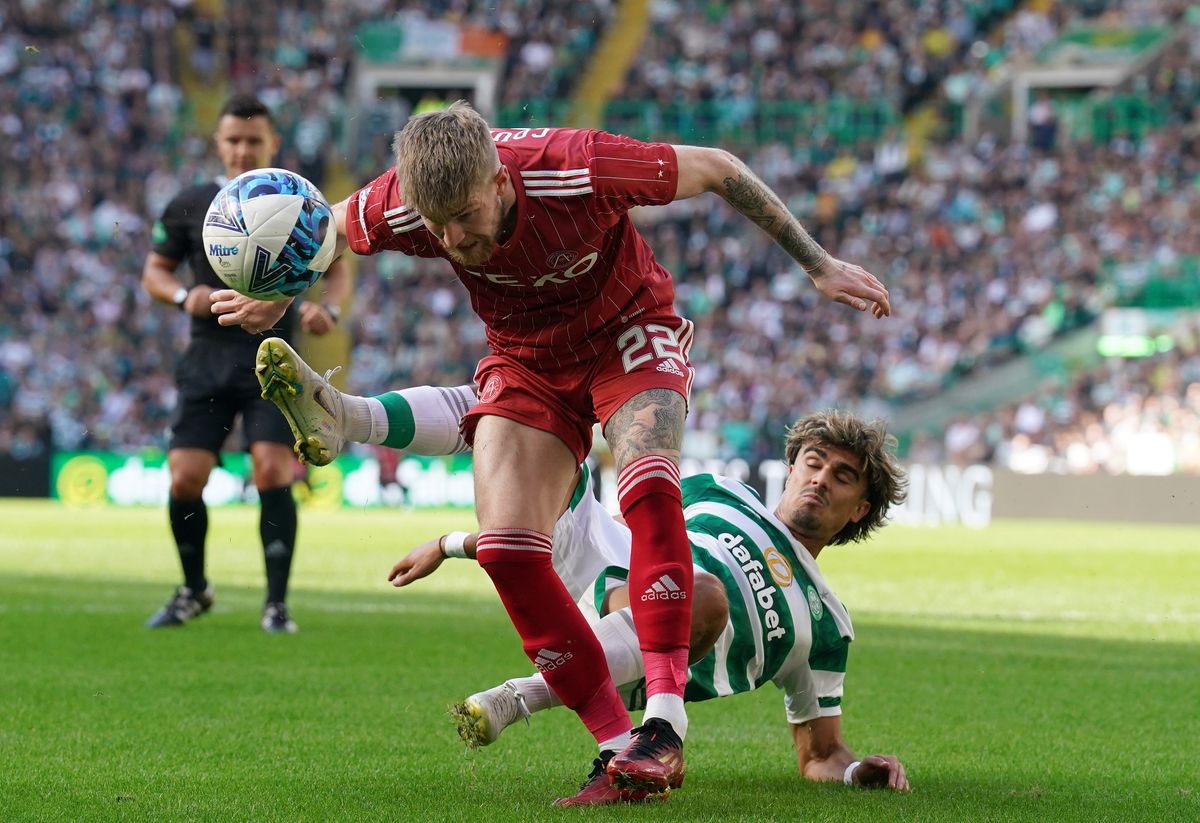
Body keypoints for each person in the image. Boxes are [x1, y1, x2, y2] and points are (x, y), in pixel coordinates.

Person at [213, 101, 891, 799]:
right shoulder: (403, 207)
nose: (452, 238)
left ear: (503, 182)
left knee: (649, 482)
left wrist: (818, 263)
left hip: (629, 332)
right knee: (510, 549)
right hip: (529, 359)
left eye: (467, 218)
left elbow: (720, 168)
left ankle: (663, 722)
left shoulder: (577, 169)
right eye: (435, 223)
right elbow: (325, 228)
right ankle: (619, 745)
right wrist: (282, 286)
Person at [388, 409, 911, 804]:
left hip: (656, 664)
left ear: (860, 509)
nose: (820, 479)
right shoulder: (721, 492)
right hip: (612, 577)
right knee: (542, 430)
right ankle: (346, 412)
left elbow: (819, 754)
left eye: (842, 476)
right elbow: (625, 528)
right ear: (791, 466)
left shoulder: (827, 626)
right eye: (813, 464)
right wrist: (449, 544)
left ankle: (519, 697)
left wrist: (854, 770)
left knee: (702, 595)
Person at [141, 94, 349, 633]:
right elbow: (154, 273)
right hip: (206, 356)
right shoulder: (188, 203)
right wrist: (179, 296)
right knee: (185, 479)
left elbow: (339, 261)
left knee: (272, 470)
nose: (242, 150)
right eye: (233, 140)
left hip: (273, 359)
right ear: (219, 143)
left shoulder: (298, 202)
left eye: (253, 141)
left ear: (273, 144)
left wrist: (331, 308)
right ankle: (193, 589)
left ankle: (276, 603)